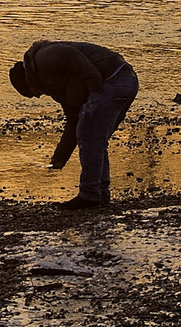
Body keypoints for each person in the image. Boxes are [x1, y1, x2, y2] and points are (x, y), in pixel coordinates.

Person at [9, 40, 139, 209]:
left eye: (32, 93)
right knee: (95, 137)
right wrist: (60, 157)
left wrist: (95, 90)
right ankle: (100, 193)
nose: (38, 96)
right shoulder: (57, 87)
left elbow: (69, 55)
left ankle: (90, 195)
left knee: (90, 136)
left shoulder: (43, 57)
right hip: (124, 80)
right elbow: (73, 121)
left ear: (28, 81)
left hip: (113, 79)